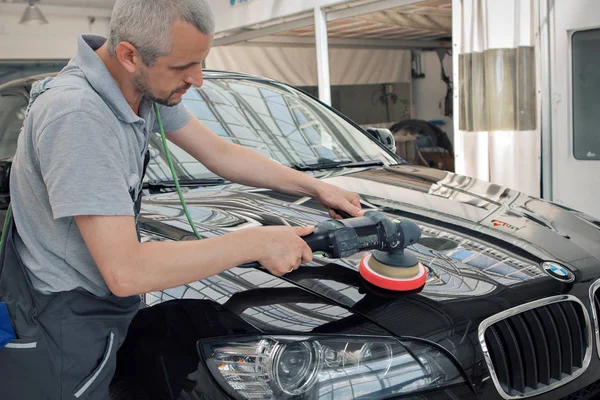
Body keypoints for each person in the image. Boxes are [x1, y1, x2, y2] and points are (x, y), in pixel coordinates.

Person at [0, 1, 363, 399]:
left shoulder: (136, 88)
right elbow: (126, 272)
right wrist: (257, 241)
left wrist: (314, 186)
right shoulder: (78, 115)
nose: (198, 79)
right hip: (64, 316)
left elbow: (219, 153)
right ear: (129, 55)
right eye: (182, 67)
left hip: (99, 303)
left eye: (201, 61)